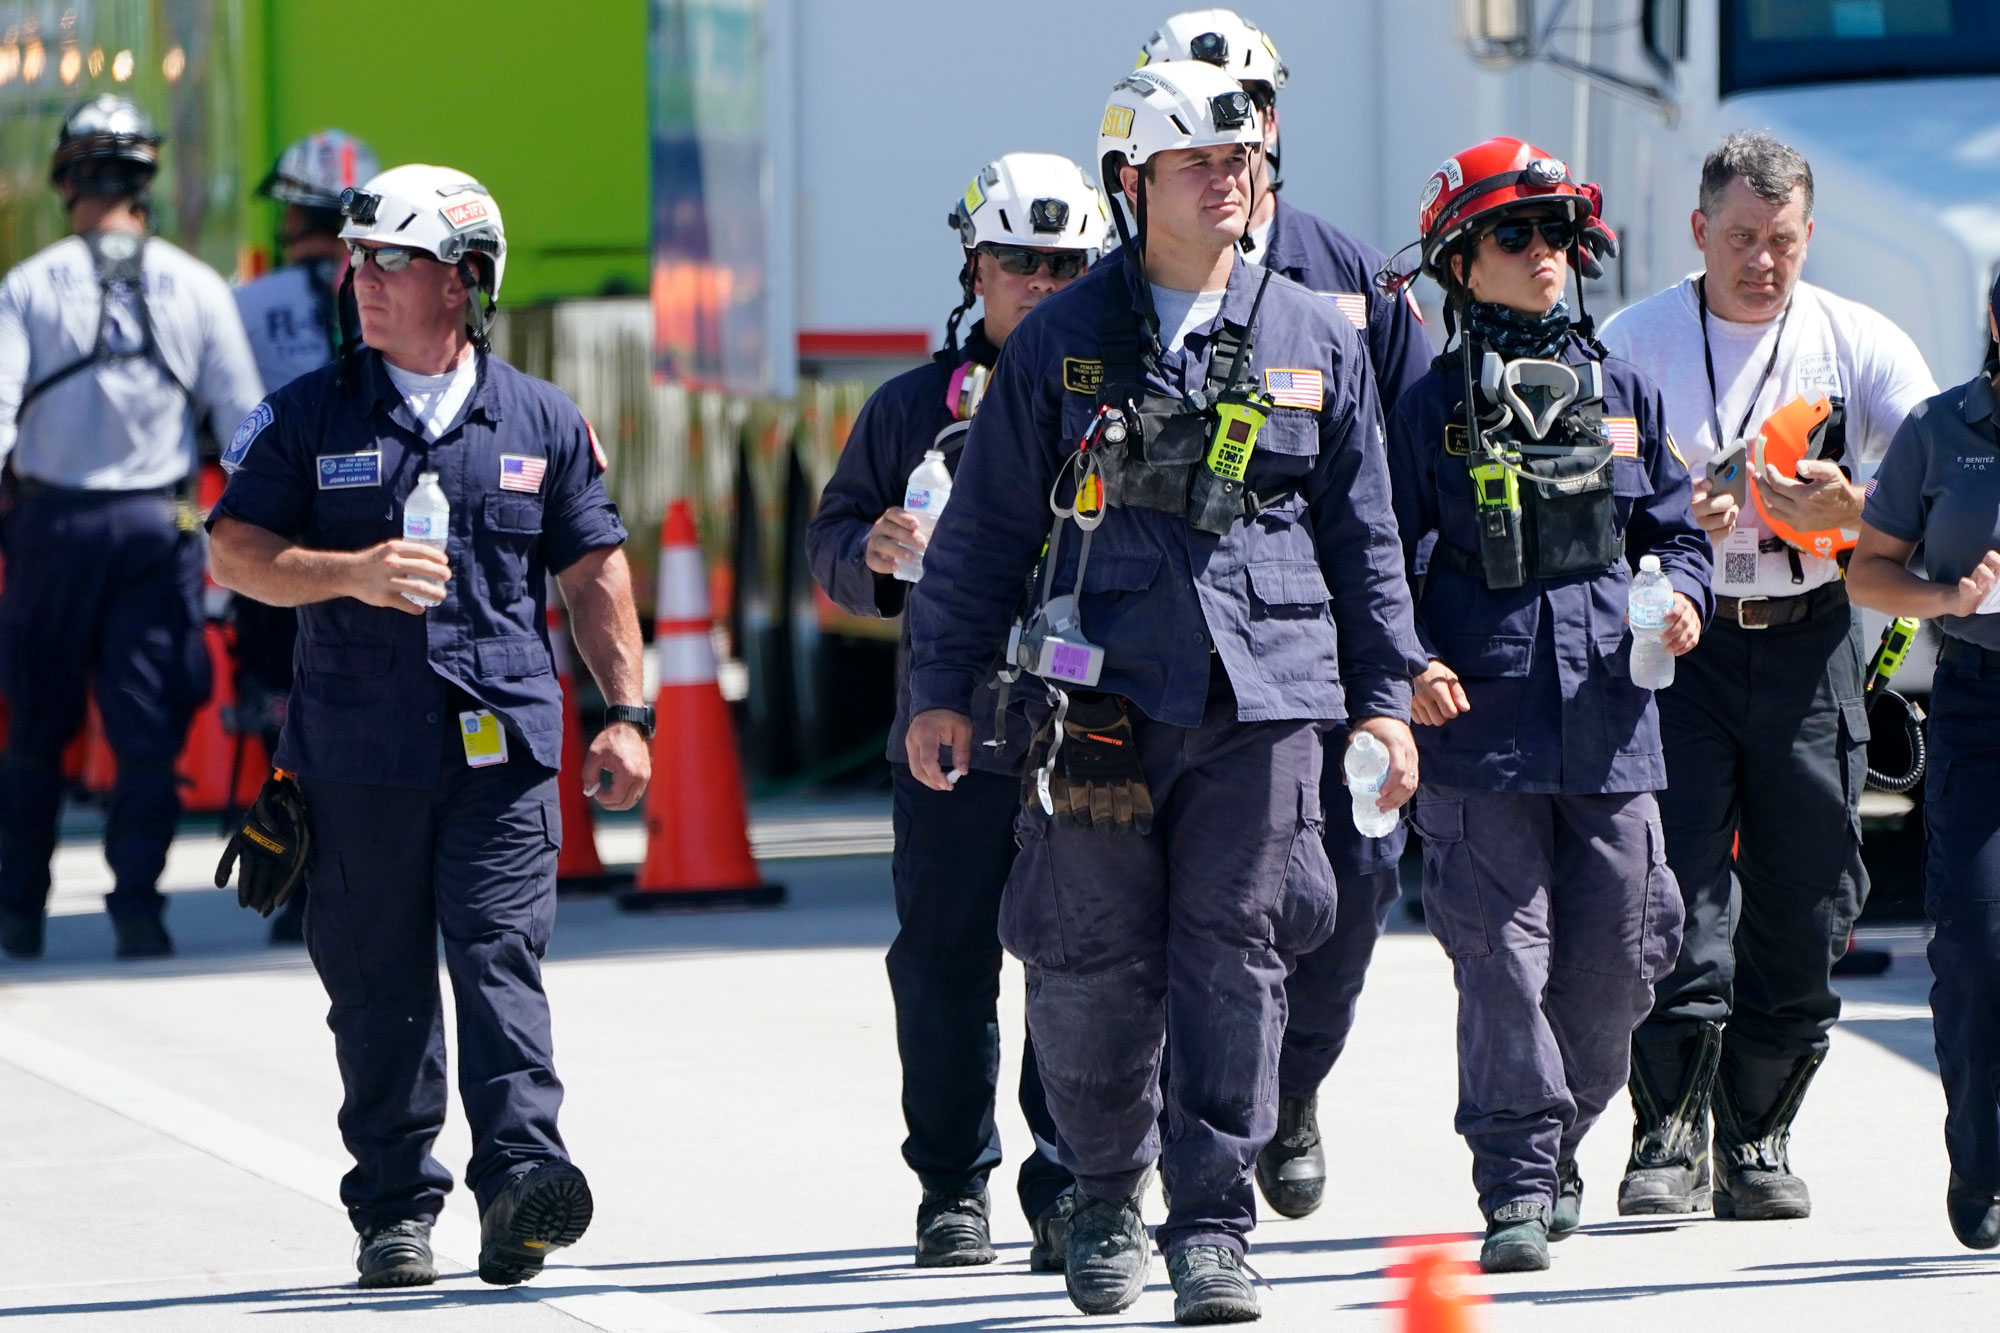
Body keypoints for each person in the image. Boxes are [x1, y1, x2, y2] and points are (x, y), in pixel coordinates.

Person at [906, 61, 1422, 1324]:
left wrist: (1388, 700)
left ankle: (1211, 1225)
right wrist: (940, 689)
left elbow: (1366, 537)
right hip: (1100, 704)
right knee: (1090, 961)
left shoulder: (1312, 333)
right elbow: (979, 535)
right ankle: (1098, 1196)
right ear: (1131, 183)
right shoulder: (1065, 341)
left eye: (1242, 160)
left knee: (1236, 957)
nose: (1230, 179)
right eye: (1199, 162)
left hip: (1267, 704)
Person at [208, 164, 651, 1290]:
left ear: (463, 282)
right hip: (355, 754)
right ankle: (395, 1207)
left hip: (503, 748)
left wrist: (626, 713)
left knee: (501, 958)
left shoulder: (542, 418)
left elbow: (595, 572)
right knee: (378, 981)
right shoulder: (307, 414)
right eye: (359, 259)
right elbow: (233, 552)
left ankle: (522, 1184)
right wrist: (349, 572)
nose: (361, 279)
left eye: (390, 260)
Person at [1380, 136, 1709, 1273]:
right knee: (1500, 960)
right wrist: (1409, 659)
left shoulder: (1623, 390)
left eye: (1559, 236)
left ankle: (1557, 1137)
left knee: (1622, 952)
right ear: (1459, 264)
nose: (1543, 256)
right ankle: (1516, 1179)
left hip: (1614, 727)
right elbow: (1381, 559)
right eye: (1513, 236)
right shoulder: (1423, 409)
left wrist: (1687, 604)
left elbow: (1669, 532)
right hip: (1480, 733)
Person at [1600, 131, 1935, 1221]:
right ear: (1696, 231)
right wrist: (1661, 516)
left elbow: (1940, 483)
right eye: (1739, 238)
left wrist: (1856, 512)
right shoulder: (1634, 342)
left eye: (1781, 241)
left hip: (1812, 636)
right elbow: (1581, 499)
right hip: (1680, 647)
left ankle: (1756, 1132)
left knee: (1804, 898)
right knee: (1674, 896)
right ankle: (1663, 1133)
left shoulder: (1857, 340)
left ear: (1807, 236)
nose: (1760, 261)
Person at [1139, 6, 1434, 1218]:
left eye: (1251, 104)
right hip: (1179, 669)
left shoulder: (1348, 277)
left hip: (1325, 663)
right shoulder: (1126, 285)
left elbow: (1403, 476)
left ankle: (1289, 1093)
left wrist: (1403, 658)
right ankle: (1164, 1153)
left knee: (1347, 890)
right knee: (1184, 915)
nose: (1236, 131)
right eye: (1207, 106)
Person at [805, 151, 1105, 1272]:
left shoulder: (1116, 395)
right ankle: (950, 1184)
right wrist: (869, 555)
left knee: (1081, 961)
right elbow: (828, 544)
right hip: (950, 730)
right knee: (941, 960)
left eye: (1066, 263)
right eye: (1019, 261)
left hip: (1088, 730)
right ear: (973, 267)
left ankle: (1070, 1180)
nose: (1040, 281)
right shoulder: (903, 409)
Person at [0, 95, 262, 960]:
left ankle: (19, 911)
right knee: (146, 730)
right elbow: (245, 424)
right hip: (166, 520)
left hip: (50, 527)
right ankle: (140, 914)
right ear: (145, 182)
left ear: (66, 181)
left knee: (36, 728)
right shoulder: (196, 285)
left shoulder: (29, 285)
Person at [1847, 272, 2000, 1251]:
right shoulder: (1941, 429)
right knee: (1975, 946)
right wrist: (1944, 601)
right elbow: (1866, 568)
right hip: (1979, 701)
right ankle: (1978, 1157)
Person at [232, 129, 380, 945]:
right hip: (377, 541)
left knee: (283, 710)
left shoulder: (247, 305)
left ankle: (291, 879)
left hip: (275, 544)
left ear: (294, 213)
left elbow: (218, 417)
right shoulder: (398, 291)